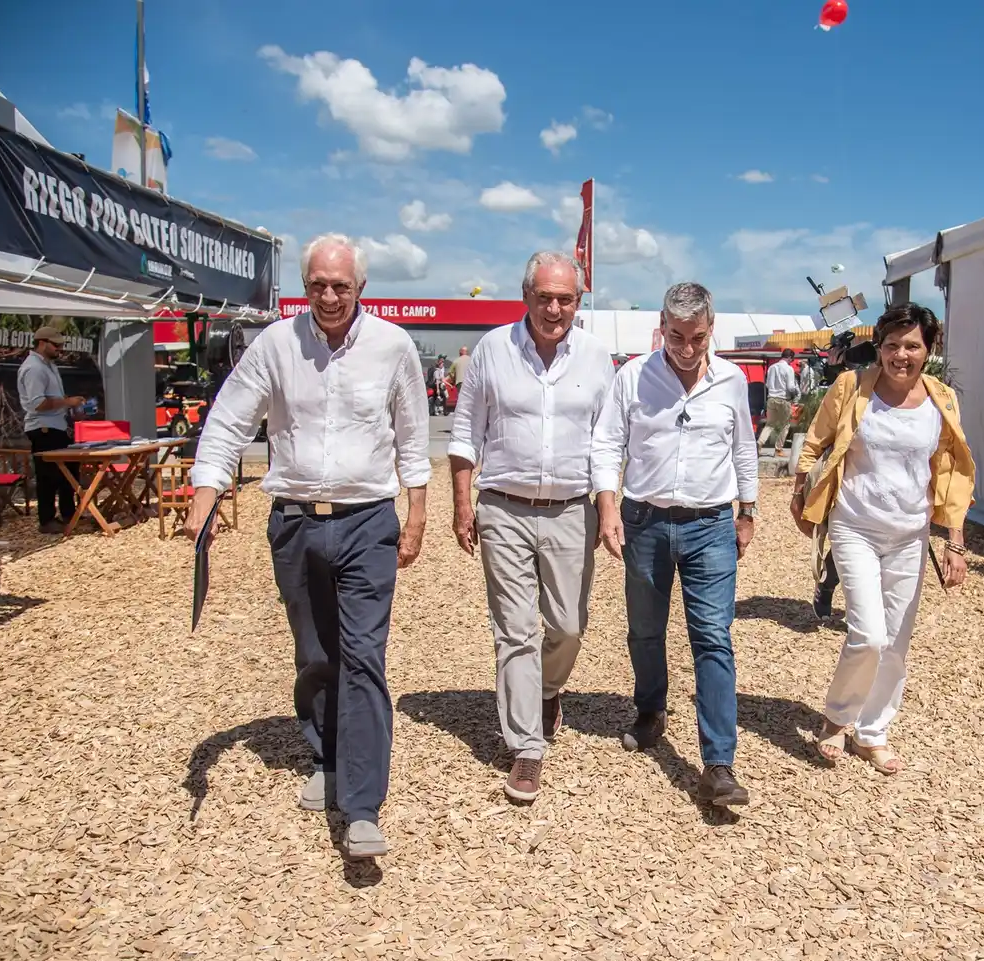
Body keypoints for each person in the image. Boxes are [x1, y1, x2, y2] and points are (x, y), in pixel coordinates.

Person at [184, 233, 430, 860]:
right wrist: (204, 492)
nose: (328, 296)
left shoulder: (392, 346)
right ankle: (325, 755)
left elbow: (411, 432)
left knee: (364, 656)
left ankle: (362, 804)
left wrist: (417, 510)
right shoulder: (275, 344)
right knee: (317, 655)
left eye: (340, 286)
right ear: (306, 285)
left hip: (368, 521)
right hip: (294, 522)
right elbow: (229, 420)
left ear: (361, 289)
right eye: (317, 284)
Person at [449, 252, 616, 804]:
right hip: (503, 507)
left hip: (572, 509)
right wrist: (462, 502)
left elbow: (605, 441)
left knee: (567, 626)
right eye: (544, 297)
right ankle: (527, 747)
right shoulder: (493, 351)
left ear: (578, 301)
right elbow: (465, 432)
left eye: (565, 299)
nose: (554, 308)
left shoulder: (596, 358)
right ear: (526, 296)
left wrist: (607, 507)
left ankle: (547, 688)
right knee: (516, 630)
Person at [592, 282, 759, 807]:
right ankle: (651, 709)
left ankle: (718, 762)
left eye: (698, 337)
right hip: (644, 520)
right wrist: (607, 506)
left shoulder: (731, 380)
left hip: (711, 526)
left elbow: (744, 447)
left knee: (713, 635)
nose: (687, 348)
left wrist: (748, 510)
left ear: (713, 329)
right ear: (661, 328)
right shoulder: (633, 378)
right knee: (645, 629)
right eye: (677, 336)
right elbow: (607, 443)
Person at [791, 302, 974, 772]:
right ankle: (837, 718)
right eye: (892, 345)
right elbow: (815, 441)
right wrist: (802, 491)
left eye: (911, 346)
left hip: (910, 537)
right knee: (869, 634)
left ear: (928, 349)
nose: (900, 355)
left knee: (896, 642)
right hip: (855, 527)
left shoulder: (943, 401)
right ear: (880, 347)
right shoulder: (852, 388)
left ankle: (873, 731)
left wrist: (954, 541)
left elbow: (952, 474)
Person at [17, 326, 84, 534]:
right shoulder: (34, 369)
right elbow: (37, 404)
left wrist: (69, 406)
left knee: (69, 472)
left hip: (56, 426)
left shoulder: (48, 366)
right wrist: (67, 402)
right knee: (48, 476)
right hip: (43, 428)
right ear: (42, 343)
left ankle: (68, 513)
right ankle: (46, 520)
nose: (60, 349)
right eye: (56, 345)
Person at [758, 348, 798, 455]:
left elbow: (767, 384)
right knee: (785, 425)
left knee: (770, 424)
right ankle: (778, 449)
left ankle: (760, 442)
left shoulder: (772, 367)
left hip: (771, 398)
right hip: (783, 399)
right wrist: (796, 393)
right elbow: (790, 387)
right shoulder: (789, 369)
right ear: (790, 358)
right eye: (792, 359)